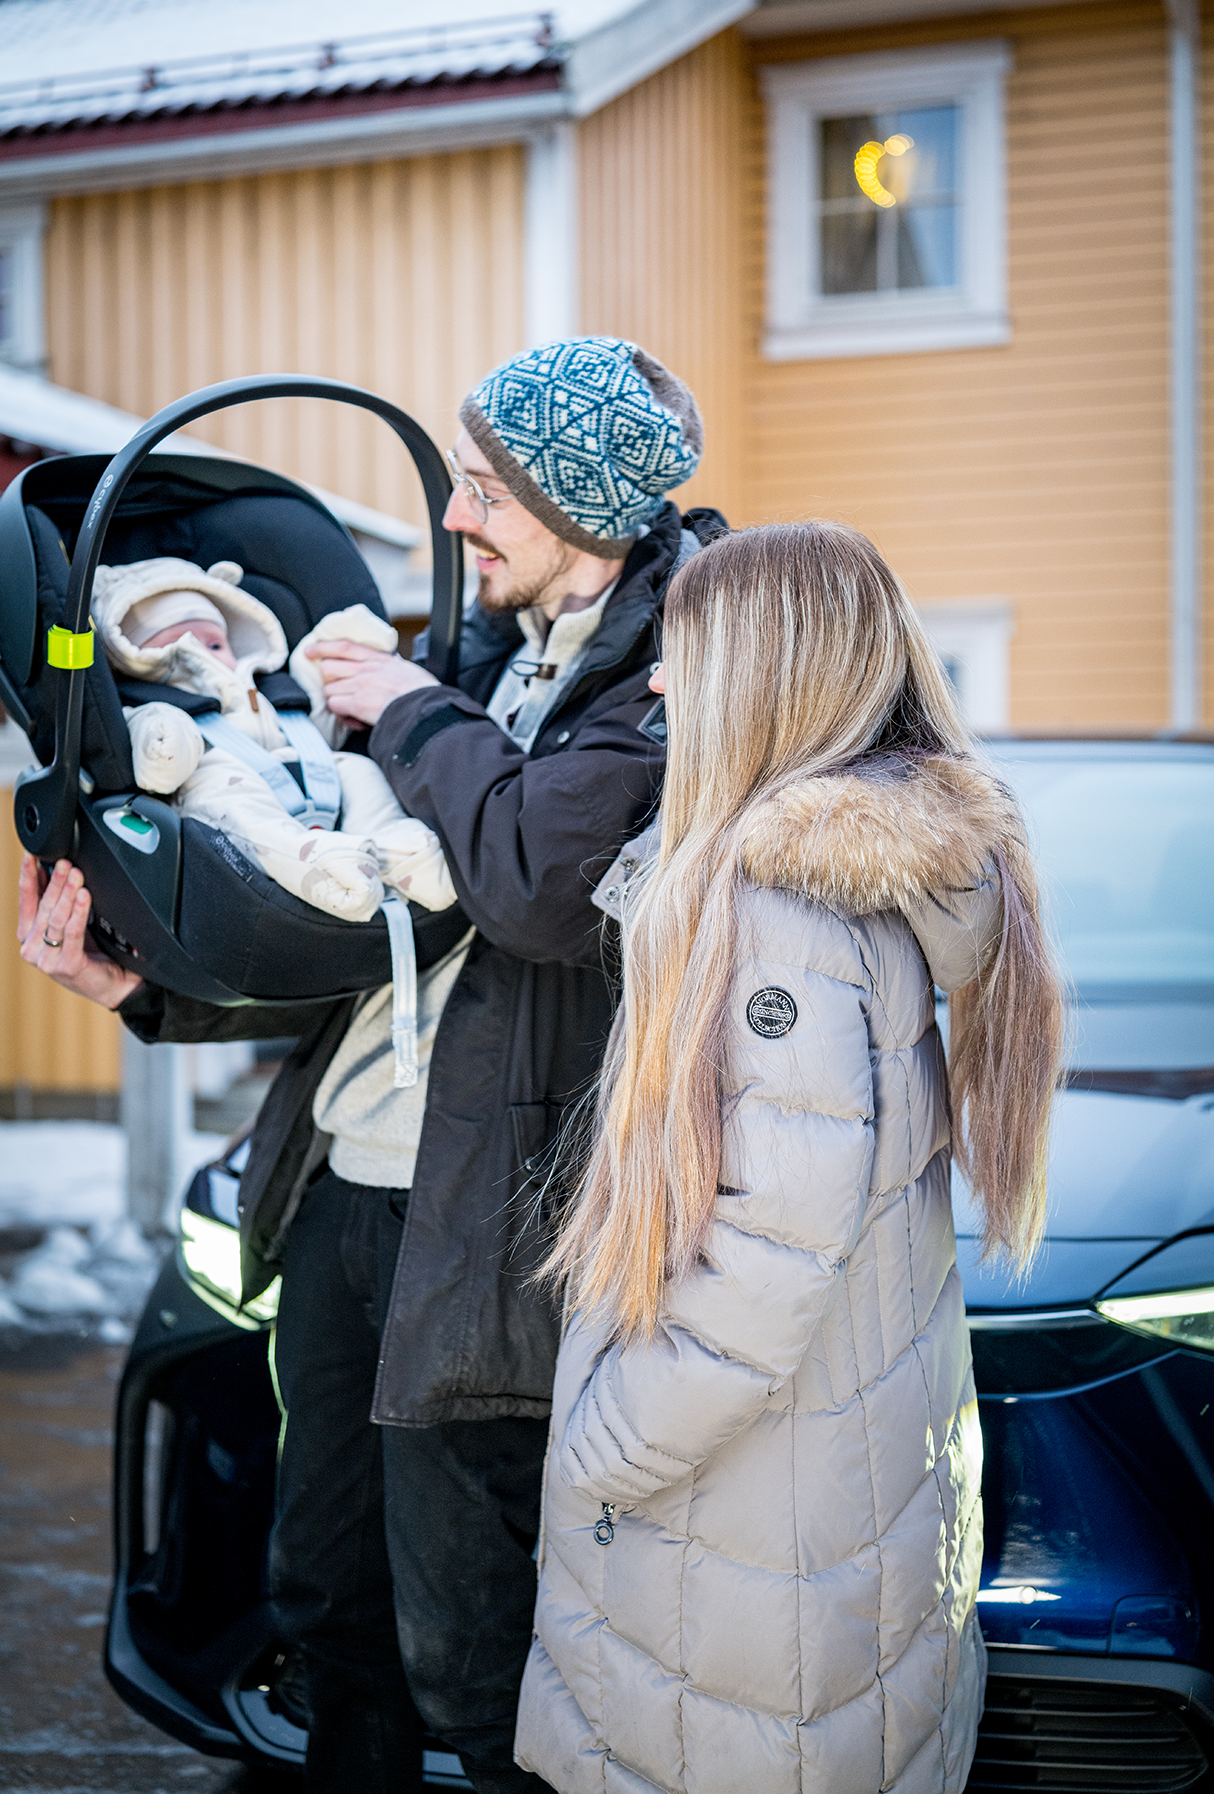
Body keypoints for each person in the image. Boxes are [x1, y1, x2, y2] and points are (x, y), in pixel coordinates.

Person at [18, 336, 725, 1794]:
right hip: (349, 1189)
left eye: (484, 492)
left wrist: (401, 706)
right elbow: (372, 950)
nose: (454, 522)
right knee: (328, 1599)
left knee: (476, 1645)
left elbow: (528, 883)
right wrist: (141, 992)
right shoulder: (491, 651)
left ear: (581, 504)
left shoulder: (675, 680)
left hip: (494, 1225)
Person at [515, 521, 1065, 1794]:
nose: (653, 681)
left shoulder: (781, 912)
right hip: (819, 1518)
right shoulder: (862, 886)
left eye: (679, 655)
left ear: (763, 674)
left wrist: (601, 1453)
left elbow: (768, 1260)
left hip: (738, 1533)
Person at [93, 555, 454, 923]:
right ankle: (314, 865)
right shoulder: (153, 704)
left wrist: (338, 647)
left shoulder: (269, 687)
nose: (206, 656)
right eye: (177, 651)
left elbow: (318, 724)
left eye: (216, 644)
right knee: (224, 794)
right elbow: (156, 762)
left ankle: (397, 852)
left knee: (360, 771)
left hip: (311, 773)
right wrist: (165, 738)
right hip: (223, 783)